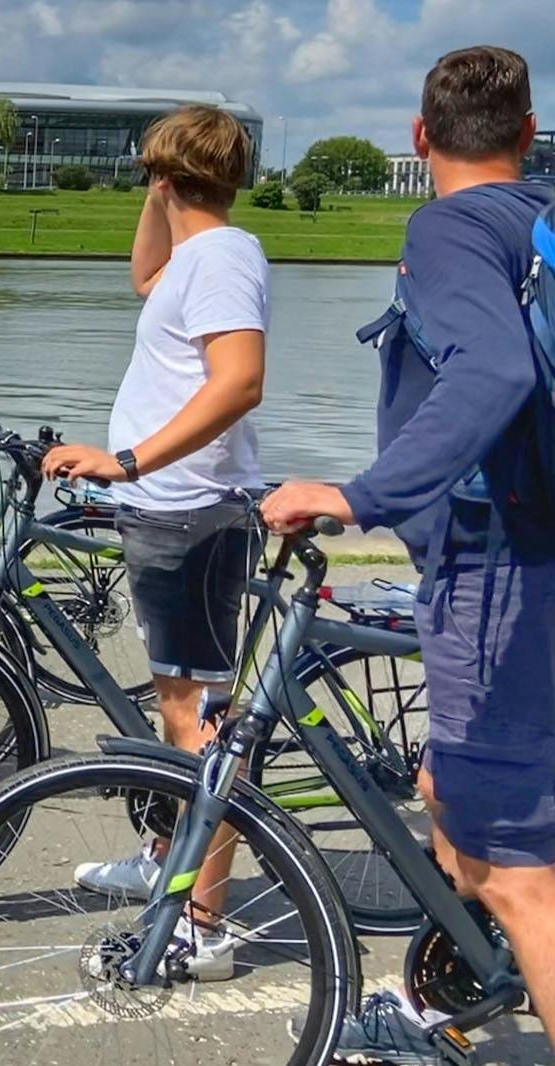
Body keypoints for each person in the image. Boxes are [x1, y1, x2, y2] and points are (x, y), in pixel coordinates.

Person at [268, 45, 555, 1063]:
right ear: (525, 138)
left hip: (503, 571)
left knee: (515, 871)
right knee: (448, 792)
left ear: (418, 137)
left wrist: (357, 495)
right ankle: (451, 1005)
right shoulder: (532, 224)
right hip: (513, 570)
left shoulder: (446, 230)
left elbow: (491, 374)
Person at [43, 103, 267, 980]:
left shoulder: (222, 258)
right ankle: (168, 856)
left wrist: (128, 460)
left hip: (192, 512)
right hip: (166, 512)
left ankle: (204, 923)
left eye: (154, 180)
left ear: (171, 180)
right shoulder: (197, 256)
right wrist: (157, 185)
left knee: (199, 722)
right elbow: (144, 276)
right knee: (176, 705)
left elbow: (240, 380)